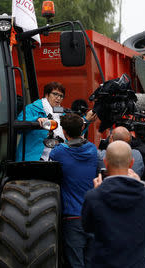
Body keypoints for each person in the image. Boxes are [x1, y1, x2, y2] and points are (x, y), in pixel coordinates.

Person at [81, 140, 145, 268]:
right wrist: (142, 186)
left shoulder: (94, 196)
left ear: (105, 162)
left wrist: (97, 191)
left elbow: (87, 227)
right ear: (131, 163)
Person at [49, 113, 98, 268]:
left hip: (72, 217)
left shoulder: (58, 152)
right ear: (82, 128)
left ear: (64, 132)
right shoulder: (92, 150)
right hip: (92, 216)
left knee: (75, 263)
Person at [16, 82, 96, 161]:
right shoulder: (32, 108)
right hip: (31, 161)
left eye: (61, 96)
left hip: (55, 160)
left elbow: (74, 133)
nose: (58, 98)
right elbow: (18, 126)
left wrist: (86, 120)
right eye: (55, 94)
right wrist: (36, 120)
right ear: (47, 95)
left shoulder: (62, 113)